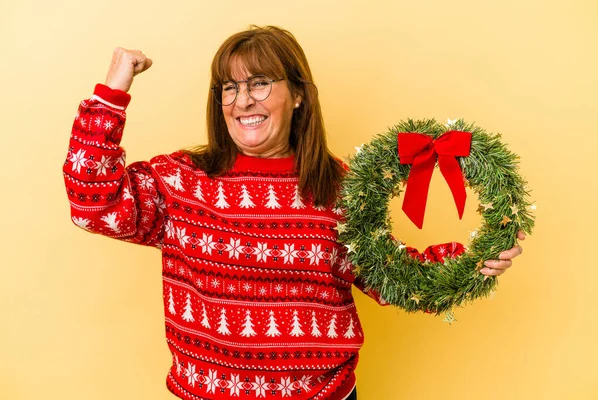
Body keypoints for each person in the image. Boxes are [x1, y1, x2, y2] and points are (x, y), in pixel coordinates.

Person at [63, 26, 524, 400]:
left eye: (260, 83)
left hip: (324, 394)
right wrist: (114, 87)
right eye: (230, 87)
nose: (243, 100)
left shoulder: (340, 187)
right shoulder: (182, 179)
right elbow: (91, 204)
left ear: (298, 94)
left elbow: (390, 277)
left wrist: (470, 263)